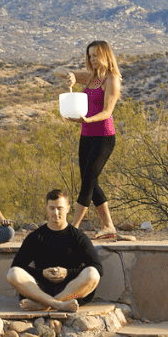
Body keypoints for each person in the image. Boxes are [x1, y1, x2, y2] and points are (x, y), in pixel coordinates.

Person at [59, 40, 121, 239]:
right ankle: (108, 226)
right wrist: (69, 76)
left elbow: (107, 112)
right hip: (86, 136)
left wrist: (87, 119)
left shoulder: (111, 79)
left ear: (105, 55)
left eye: (96, 55)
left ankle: (72, 229)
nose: (92, 59)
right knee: (91, 181)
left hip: (103, 137)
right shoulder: (90, 77)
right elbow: (58, 71)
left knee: (88, 182)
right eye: (90, 55)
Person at [8, 189, 102, 312]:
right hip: (41, 290)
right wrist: (42, 273)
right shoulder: (35, 237)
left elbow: (98, 267)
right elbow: (17, 266)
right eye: (52, 208)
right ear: (46, 208)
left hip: (70, 291)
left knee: (93, 274)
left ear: (68, 208)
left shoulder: (78, 237)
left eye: (59, 208)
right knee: (13, 273)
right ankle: (58, 305)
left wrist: (67, 272)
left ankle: (45, 305)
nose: (55, 213)